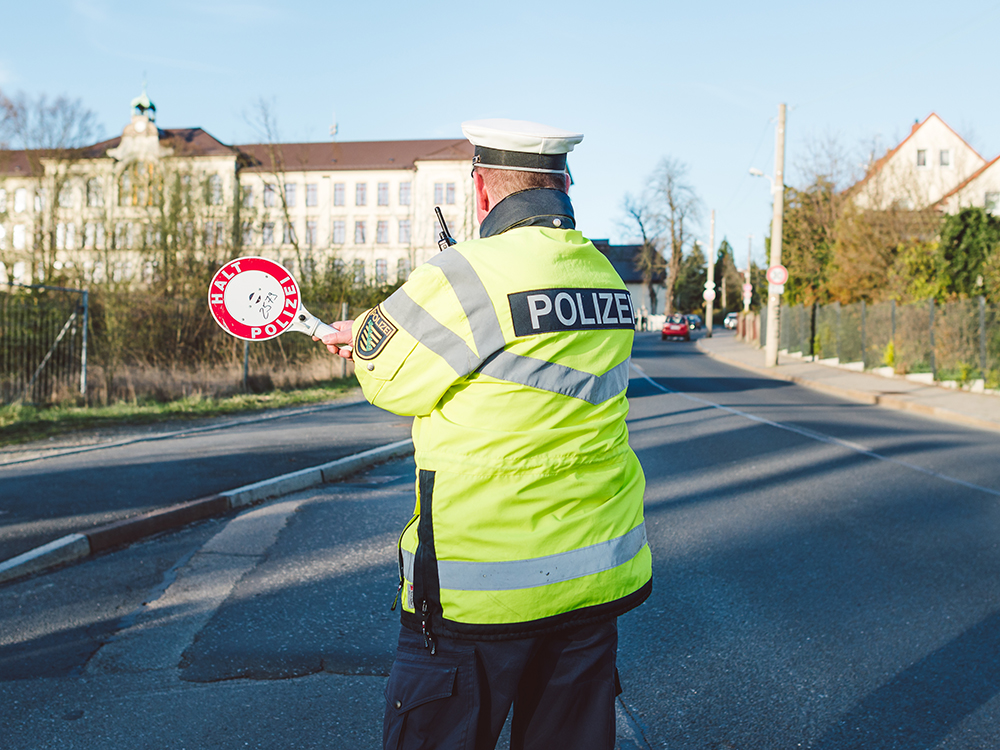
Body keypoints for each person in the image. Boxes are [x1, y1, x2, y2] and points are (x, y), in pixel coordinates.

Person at [318, 119, 651, 750]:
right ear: (565, 184)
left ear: (481, 191)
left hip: (478, 593)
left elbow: (391, 379)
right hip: (591, 579)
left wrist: (362, 338)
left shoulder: (462, 276)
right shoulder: (604, 277)